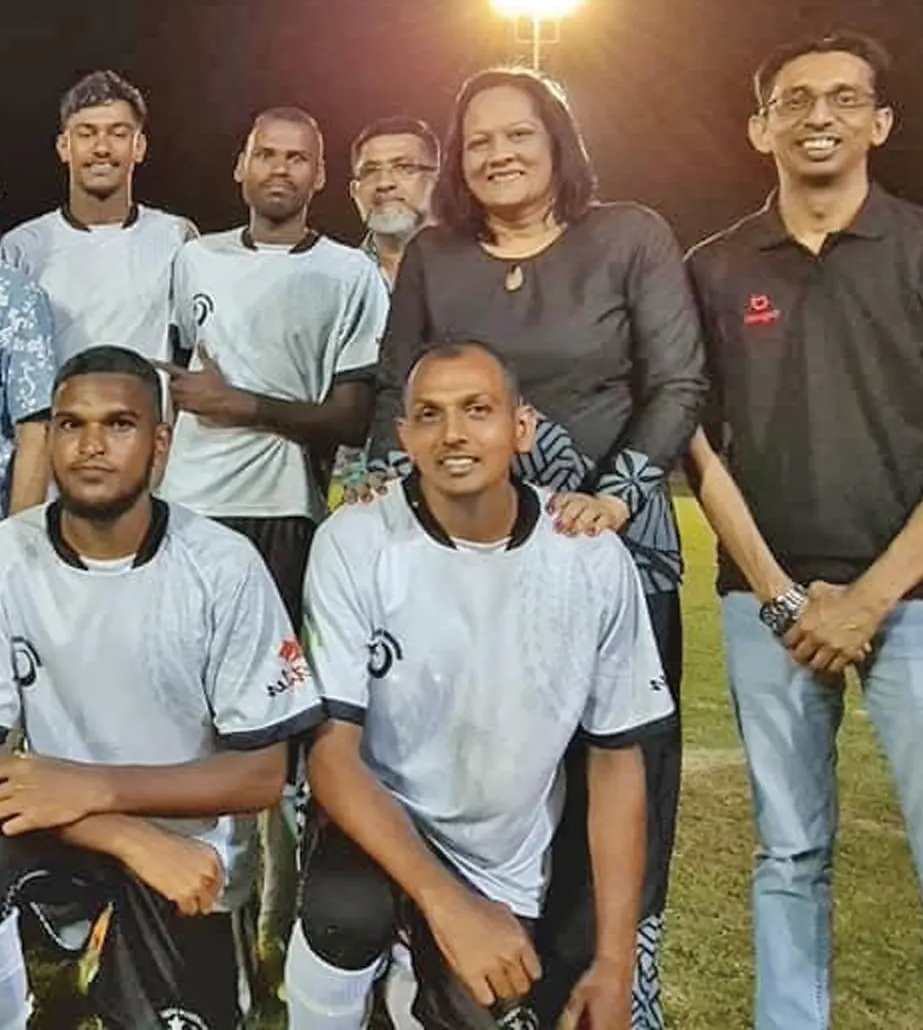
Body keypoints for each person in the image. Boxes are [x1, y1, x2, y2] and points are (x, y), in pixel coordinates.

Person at [365, 67, 705, 1027]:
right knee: (491, 771)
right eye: (478, 141)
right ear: (458, 161)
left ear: (558, 142)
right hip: (468, 565)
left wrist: (612, 500)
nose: (499, 154)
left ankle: (609, 987)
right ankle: (478, 981)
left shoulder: (629, 237)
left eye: (519, 135)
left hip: (611, 555)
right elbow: (398, 394)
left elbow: (678, 384)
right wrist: (375, 501)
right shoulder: (437, 255)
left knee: (623, 774)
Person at [685, 33, 923, 1030]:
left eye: (845, 99)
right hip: (771, 606)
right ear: (760, 126)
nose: (821, 116)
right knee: (788, 857)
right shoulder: (713, 268)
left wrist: (870, 599)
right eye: (796, 100)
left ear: (879, 124)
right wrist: (779, 592)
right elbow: (698, 450)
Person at [0, 346, 324, 1030]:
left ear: (160, 444)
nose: (91, 446)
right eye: (71, 425)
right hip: (66, 836)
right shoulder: (3, 557)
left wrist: (106, 793)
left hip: (191, 860)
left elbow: (262, 774)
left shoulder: (223, 567)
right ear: (49, 438)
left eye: (118, 425)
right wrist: (120, 831)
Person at [287, 341, 669, 1030]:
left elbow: (617, 762)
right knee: (345, 912)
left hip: (505, 867)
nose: (454, 433)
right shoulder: (355, 541)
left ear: (521, 428)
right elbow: (330, 756)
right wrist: (445, 904)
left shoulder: (588, 556)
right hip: (379, 835)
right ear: (404, 438)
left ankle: (412, 981)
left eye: (477, 410)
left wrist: (615, 967)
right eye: (429, 415)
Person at [155, 105, 388, 969]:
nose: (281, 169)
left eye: (299, 157)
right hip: (188, 516)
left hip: (286, 520)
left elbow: (354, 414)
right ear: (240, 167)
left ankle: (283, 935)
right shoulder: (193, 261)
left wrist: (243, 405)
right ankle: (196, 921)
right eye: (266, 154)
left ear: (319, 176)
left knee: (281, 743)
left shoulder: (349, 275)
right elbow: (172, 377)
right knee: (187, 731)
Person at [0, 70, 196, 365]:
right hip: (55, 411)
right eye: (86, 133)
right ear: (64, 146)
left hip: (146, 411)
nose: (102, 148)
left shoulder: (176, 237)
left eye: (118, 133)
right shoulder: (21, 247)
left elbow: (194, 346)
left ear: (139, 147)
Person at [349, 117, 441, 289]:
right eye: (370, 171)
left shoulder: (482, 268)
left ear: (438, 182)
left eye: (404, 168)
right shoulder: (334, 280)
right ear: (355, 192)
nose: (384, 183)